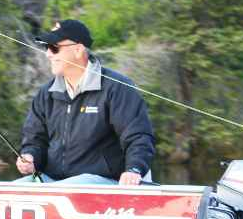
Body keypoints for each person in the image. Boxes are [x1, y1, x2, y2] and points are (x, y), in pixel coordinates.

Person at [16, 19, 155, 186]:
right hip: (54, 181)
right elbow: (35, 140)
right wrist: (30, 157)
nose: (48, 54)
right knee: (12, 189)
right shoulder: (46, 94)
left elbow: (138, 136)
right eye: (47, 47)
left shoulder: (117, 87)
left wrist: (134, 169)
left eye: (54, 47)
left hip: (105, 181)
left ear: (78, 49)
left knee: (67, 187)